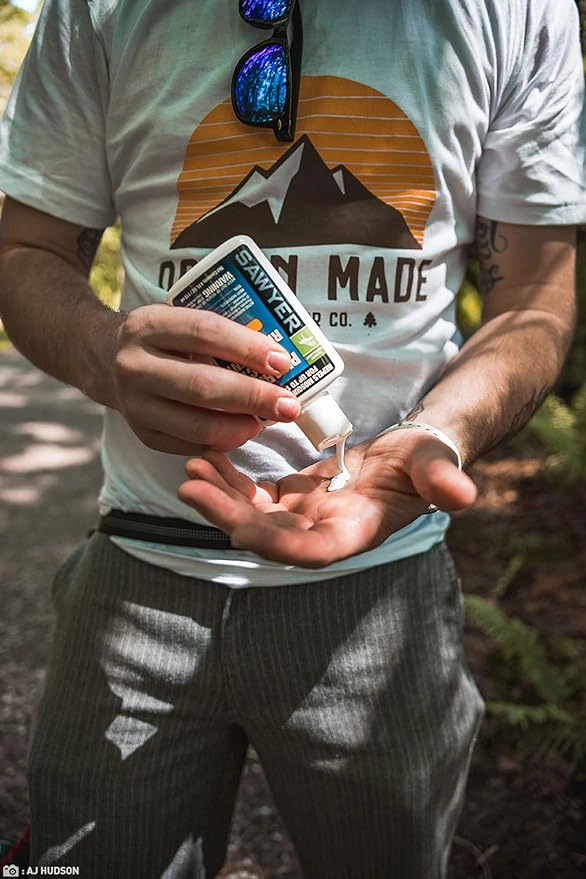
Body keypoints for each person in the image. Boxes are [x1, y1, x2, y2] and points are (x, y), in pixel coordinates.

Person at [0, 0, 584, 876]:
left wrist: (433, 436)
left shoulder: (516, 9)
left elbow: (537, 298)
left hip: (383, 590)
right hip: (138, 566)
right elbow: (26, 251)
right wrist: (103, 355)